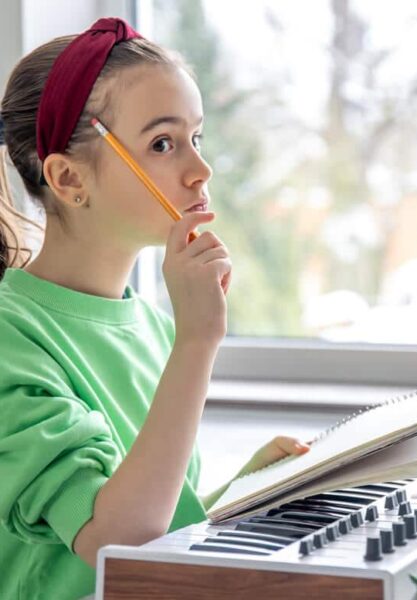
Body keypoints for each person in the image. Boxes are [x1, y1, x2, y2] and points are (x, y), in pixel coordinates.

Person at [0, 17, 309, 599]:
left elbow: (158, 522)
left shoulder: (149, 323)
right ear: (68, 179)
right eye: (163, 144)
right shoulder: (11, 338)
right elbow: (118, 544)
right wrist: (198, 342)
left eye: (198, 138)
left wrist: (248, 490)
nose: (201, 170)